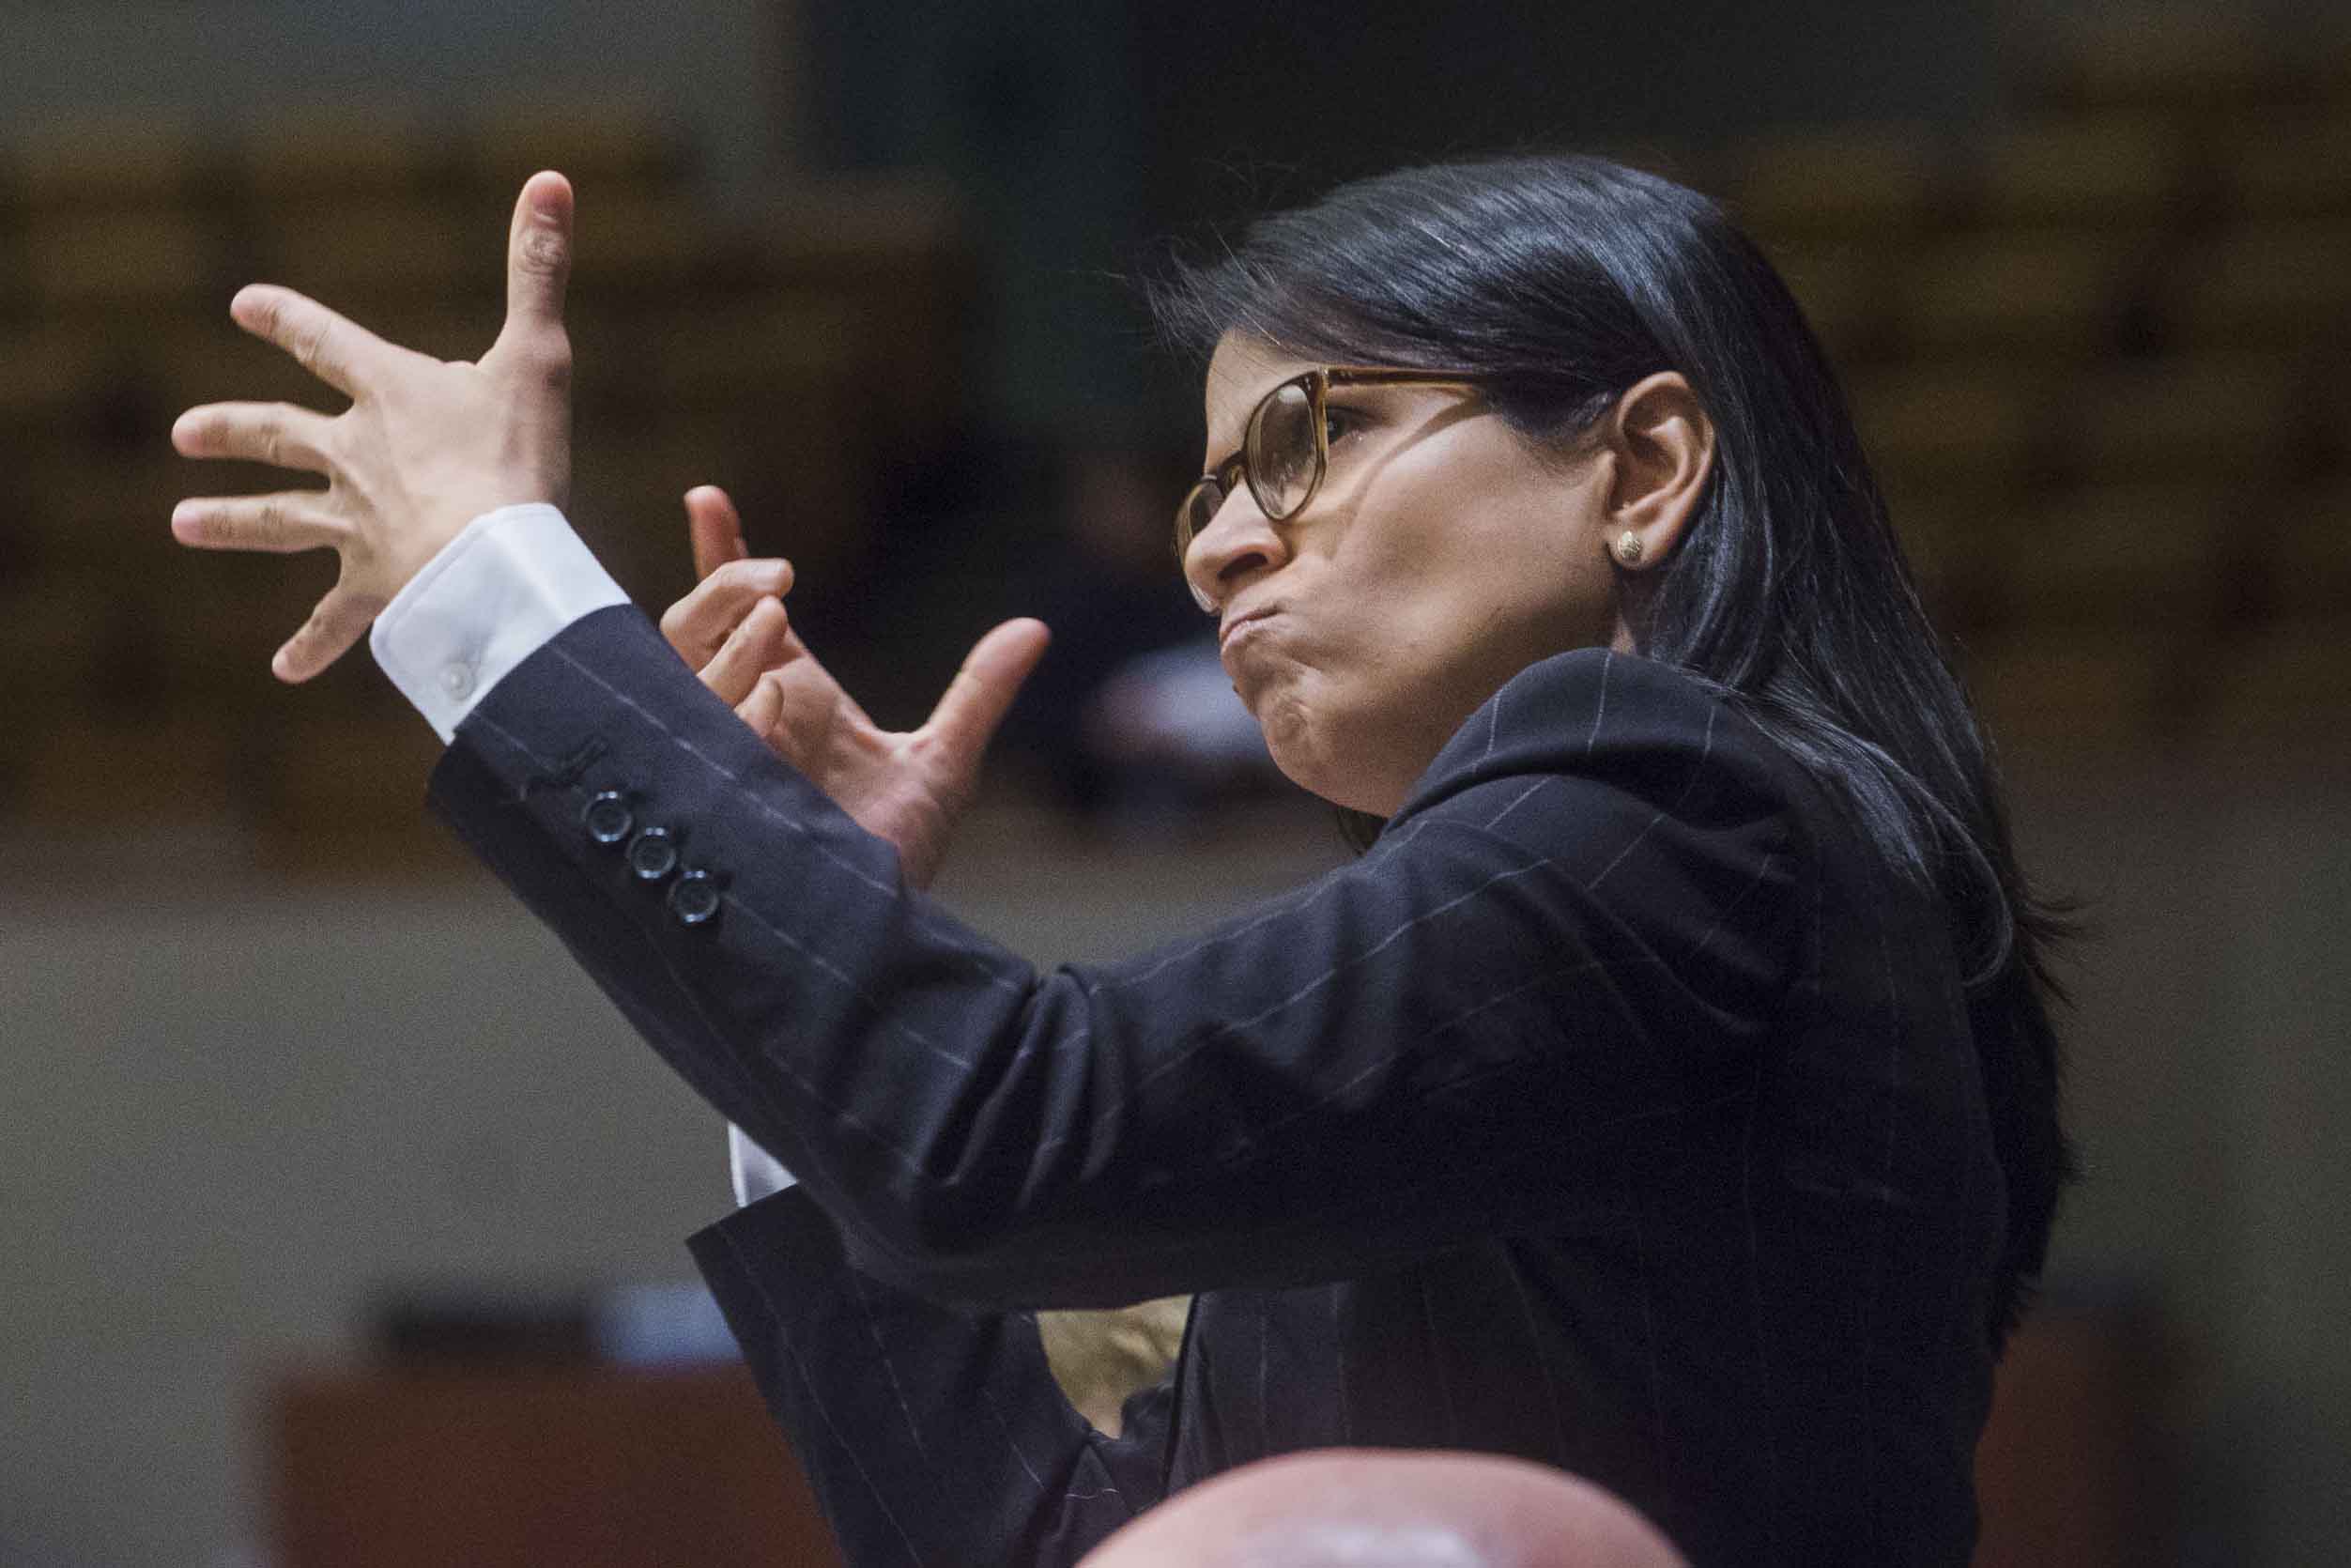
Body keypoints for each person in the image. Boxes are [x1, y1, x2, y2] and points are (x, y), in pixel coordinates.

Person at [169, 153, 2079, 1566]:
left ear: (1645, 467)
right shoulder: (1564, 951)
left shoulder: (1682, 800)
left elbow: (999, 1133)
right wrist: (821, 948)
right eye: (1205, 486)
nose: (1217, 548)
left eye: (1306, 438)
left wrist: (493, 592)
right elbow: (1042, 1538)